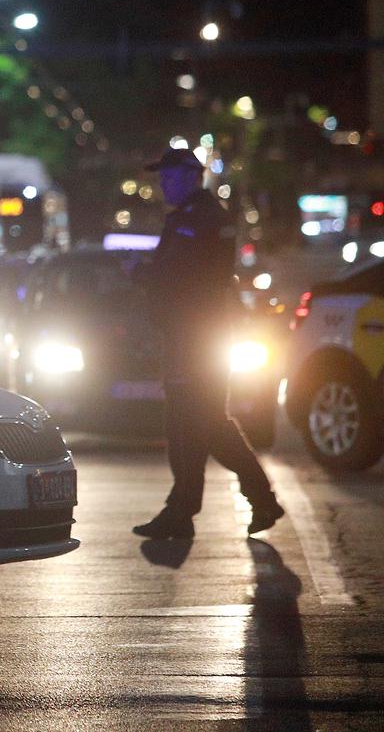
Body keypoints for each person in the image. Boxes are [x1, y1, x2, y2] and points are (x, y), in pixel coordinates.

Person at [131, 146, 283, 541]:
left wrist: (145, 274)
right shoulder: (191, 217)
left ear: (191, 176)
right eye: (161, 177)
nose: (164, 184)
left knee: (193, 426)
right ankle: (243, 501)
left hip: (196, 338)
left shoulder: (200, 219)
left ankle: (185, 511)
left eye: (170, 177)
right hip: (194, 335)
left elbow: (184, 277)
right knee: (205, 425)